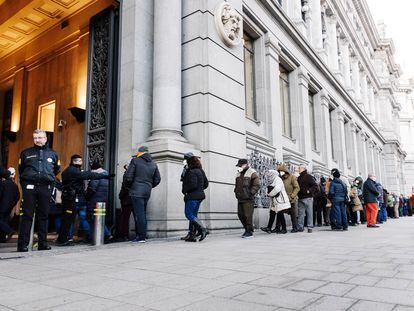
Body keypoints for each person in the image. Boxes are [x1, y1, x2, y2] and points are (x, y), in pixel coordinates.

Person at [17, 129, 60, 252]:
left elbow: (56, 170)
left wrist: (49, 183)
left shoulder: (53, 154)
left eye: (40, 137)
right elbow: (21, 169)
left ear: (45, 138)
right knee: (27, 216)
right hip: (30, 187)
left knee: (43, 216)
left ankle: (43, 244)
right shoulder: (26, 153)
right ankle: (22, 245)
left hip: (45, 187)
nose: (37, 140)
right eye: (35, 138)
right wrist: (25, 185)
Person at [56, 154, 110, 246]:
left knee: (69, 219)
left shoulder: (69, 170)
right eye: (80, 161)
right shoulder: (73, 170)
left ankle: (64, 238)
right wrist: (102, 176)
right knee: (69, 219)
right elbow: (87, 175)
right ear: (74, 161)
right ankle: (64, 239)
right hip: (71, 198)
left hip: (71, 197)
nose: (81, 163)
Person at [124, 146, 161, 243]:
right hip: (146, 191)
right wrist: (149, 185)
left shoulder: (135, 160)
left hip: (136, 191)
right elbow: (158, 179)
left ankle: (141, 237)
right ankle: (142, 235)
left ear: (140, 152)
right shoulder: (153, 163)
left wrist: (129, 187)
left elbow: (128, 177)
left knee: (139, 214)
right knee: (142, 213)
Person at [181, 155, 209, 242]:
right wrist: (200, 189)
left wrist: (185, 190)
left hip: (192, 196)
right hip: (199, 196)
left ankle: (203, 229)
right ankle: (192, 235)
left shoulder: (192, 171)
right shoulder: (201, 171)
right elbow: (206, 184)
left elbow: (192, 185)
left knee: (188, 214)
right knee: (193, 216)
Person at [85, 161, 112, 242]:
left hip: (95, 200)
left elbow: (92, 189)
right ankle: (104, 235)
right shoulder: (105, 174)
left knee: (94, 219)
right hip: (103, 200)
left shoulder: (96, 176)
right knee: (99, 218)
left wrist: (86, 196)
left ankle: (105, 235)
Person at [234, 158, 260, 238]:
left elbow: (257, 185)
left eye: (240, 165)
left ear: (246, 165)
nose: (239, 167)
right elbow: (236, 185)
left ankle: (249, 231)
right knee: (240, 215)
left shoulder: (252, 172)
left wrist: (250, 193)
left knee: (247, 215)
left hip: (248, 198)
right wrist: (235, 191)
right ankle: (247, 229)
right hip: (240, 197)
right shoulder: (238, 173)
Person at [0, 169, 20, 242]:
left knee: (1, 221)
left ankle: (9, 230)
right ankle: (2, 238)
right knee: (4, 221)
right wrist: (12, 204)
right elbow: (17, 196)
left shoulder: (3, 183)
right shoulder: (14, 185)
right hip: (9, 207)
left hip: (2, 206)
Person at [297, 164, 317, 233]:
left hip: (308, 198)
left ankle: (310, 227)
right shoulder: (299, 177)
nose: (298, 169)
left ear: (303, 169)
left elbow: (315, 185)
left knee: (309, 213)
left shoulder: (308, 176)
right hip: (300, 197)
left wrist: (309, 191)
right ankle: (300, 227)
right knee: (300, 213)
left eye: (299, 168)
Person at [118, 163, 133, 241]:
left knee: (125, 218)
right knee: (137, 216)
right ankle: (140, 234)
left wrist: (121, 195)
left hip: (127, 198)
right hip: (135, 197)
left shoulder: (127, 174)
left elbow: (125, 187)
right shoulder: (136, 173)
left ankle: (124, 235)